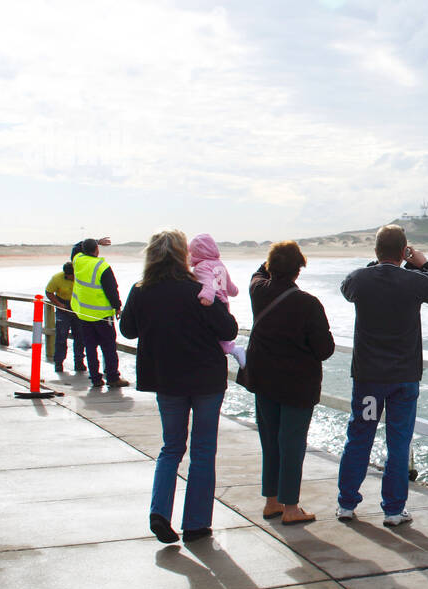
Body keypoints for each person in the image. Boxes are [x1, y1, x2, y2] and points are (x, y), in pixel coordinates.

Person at [120, 229, 238, 544]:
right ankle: (197, 523)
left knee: (171, 447)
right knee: (203, 450)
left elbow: (128, 330)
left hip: (167, 380)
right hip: (206, 379)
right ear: (182, 255)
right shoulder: (197, 290)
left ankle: (160, 511)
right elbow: (228, 327)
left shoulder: (141, 290)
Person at [335, 225, 428, 526]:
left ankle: (347, 504)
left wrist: (377, 265)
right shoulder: (413, 281)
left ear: (375, 253)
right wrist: (425, 265)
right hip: (403, 379)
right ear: (404, 252)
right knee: (399, 443)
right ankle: (392, 510)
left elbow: (348, 288)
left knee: (359, 437)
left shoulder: (359, 280)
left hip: (369, 380)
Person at [239, 241, 334, 525]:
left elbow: (258, 273)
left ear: (270, 267)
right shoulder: (307, 303)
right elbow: (324, 349)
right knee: (292, 444)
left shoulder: (258, 291)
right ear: (298, 270)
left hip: (264, 380)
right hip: (296, 385)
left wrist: (270, 261)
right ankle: (291, 507)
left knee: (270, 441)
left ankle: (271, 501)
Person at [70, 238, 130, 389]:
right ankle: (112, 377)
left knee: (90, 347)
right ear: (97, 250)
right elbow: (111, 289)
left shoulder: (77, 260)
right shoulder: (102, 266)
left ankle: (95, 378)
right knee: (108, 347)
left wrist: (95, 240)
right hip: (102, 315)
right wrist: (117, 307)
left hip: (84, 314)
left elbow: (75, 248)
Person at [188, 233, 246, 367]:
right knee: (220, 333)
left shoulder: (201, 267)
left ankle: (234, 350)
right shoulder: (219, 264)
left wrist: (207, 297)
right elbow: (228, 284)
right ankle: (234, 349)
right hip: (224, 302)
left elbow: (208, 283)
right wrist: (234, 291)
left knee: (214, 336)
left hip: (214, 302)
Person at [45, 261, 85, 372]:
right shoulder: (56, 278)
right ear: (66, 274)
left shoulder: (80, 277)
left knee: (80, 336)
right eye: (70, 276)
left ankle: (79, 362)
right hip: (63, 307)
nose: (72, 277)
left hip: (77, 308)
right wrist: (59, 304)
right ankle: (58, 362)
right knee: (61, 336)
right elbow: (48, 292)